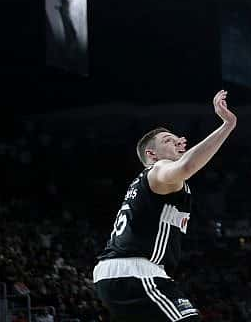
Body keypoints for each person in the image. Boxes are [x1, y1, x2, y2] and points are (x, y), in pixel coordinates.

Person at [93, 91, 237, 322]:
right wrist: (227, 125)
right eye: (167, 140)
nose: (177, 141)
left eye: (175, 137)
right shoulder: (158, 170)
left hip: (122, 273)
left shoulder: (154, 180)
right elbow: (187, 166)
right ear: (151, 154)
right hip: (135, 272)